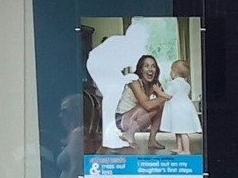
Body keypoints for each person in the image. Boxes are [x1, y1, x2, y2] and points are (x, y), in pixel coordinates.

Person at [85, 20, 150, 150]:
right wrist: (122, 79)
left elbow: (135, 70)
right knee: (112, 94)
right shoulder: (118, 42)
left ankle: (111, 134)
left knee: (114, 94)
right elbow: (105, 61)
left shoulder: (137, 49)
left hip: (109, 68)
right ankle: (109, 138)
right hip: (97, 64)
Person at [113, 55, 170, 152]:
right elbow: (146, 105)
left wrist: (162, 96)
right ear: (141, 69)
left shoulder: (154, 84)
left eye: (153, 66)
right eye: (146, 66)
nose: (150, 69)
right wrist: (163, 97)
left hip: (135, 119)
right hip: (121, 119)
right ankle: (128, 134)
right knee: (153, 105)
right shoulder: (134, 82)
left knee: (159, 105)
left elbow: (164, 98)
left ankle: (152, 140)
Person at [159, 59, 202, 154]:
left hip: (178, 111)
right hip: (184, 109)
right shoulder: (186, 84)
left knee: (183, 132)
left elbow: (167, 95)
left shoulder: (174, 84)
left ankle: (186, 150)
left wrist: (158, 91)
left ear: (174, 73)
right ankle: (179, 148)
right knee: (179, 130)